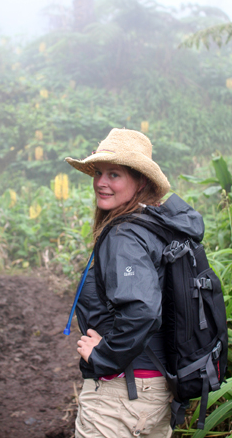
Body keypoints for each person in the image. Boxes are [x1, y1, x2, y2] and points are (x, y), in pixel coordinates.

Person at [65, 128, 173, 438]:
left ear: (141, 182)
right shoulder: (155, 226)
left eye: (114, 174)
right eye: (98, 173)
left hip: (121, 394)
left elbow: (144, 310)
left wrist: (104, 355)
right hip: (156, 391)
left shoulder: (124, 234)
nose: (101, 182)